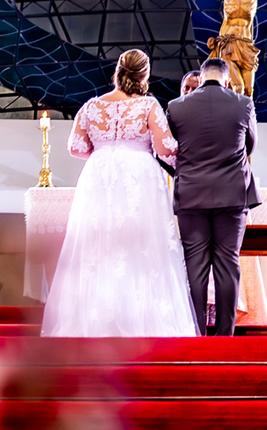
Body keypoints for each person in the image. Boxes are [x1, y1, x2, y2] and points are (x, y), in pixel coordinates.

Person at [41, 49, 197, 338]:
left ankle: (93, 318)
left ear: (118, 72)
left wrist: (102, 153)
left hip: (99, 174)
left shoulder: (91, 106)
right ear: (144, 75)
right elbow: (165, 148)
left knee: (98, 242)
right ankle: (139, 318)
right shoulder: (148, 105)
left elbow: (76, 147)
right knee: (139, 242)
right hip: (139, 174)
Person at [167, 56, 259, 335]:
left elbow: (169, 149)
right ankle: (224, 335)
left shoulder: (176, 107)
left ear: (202, 76)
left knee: (194, 267)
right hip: (232, 194)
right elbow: (251, 144)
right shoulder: (243, 103)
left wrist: (186, 169)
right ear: (227, 80)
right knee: (227, 263)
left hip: (191, 194)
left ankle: (196, 332)